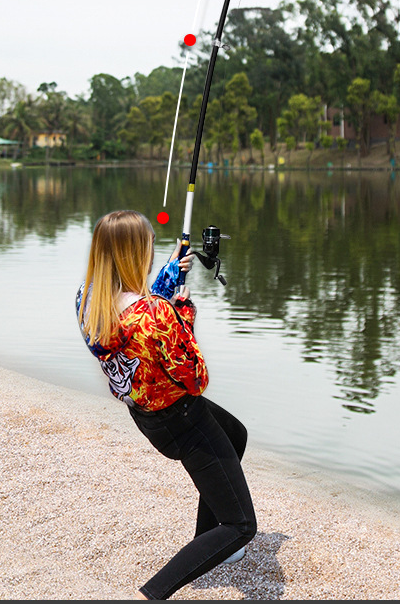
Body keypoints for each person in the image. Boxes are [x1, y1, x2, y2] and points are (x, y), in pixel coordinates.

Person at [76, 209, 256, 599]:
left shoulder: (89, 300)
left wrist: (169, 275)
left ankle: (207, 544)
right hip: (183, 418)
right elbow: (195, 377)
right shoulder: (158, 315)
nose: (153, 251)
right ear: (135, 253)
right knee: (241, 525)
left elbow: (139, 318)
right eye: (150, 246)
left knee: (235, 434)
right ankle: (151, 594)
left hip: (148, 414)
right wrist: (184, 316)